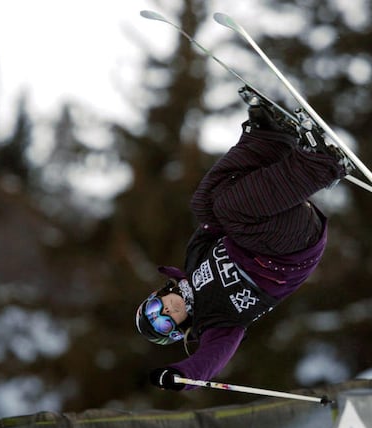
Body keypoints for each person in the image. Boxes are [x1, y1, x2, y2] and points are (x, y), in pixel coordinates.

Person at [135, 90, 349, 391]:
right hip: (289, 251)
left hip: (270, 229)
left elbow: (212, 222)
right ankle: (321, 164)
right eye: (163, 324)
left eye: (155, 310)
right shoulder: (215, 324)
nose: (165, 313)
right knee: (230, 210)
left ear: (157, 295)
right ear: (176, 332)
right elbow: (211, 360)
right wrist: (182, 376)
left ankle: (271, 138)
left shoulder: (193, 262)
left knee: (205, 205)